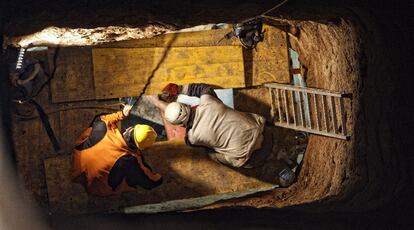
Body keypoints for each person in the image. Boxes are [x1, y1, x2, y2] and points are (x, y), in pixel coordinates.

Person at [148, 83, 273, 169]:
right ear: (187, 106)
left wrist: (157, 103)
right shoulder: (209, 101)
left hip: (253, 160)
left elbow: (188, 129)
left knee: (211, 153)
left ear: (180, 124)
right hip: (266, 134)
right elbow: (201, 88)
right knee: (238, 116)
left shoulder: (192, 138)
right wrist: (177, 89)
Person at [71, 105, 162, 196]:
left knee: (96, 124)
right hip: (94, 187)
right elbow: (150, 182)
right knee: (131, 178)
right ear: (140, 147)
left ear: (129, 129)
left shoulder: (104, 125)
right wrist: (159, 178)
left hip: (76, 165)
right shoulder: (129, 160)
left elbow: (102, 117)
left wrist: (122, 114)